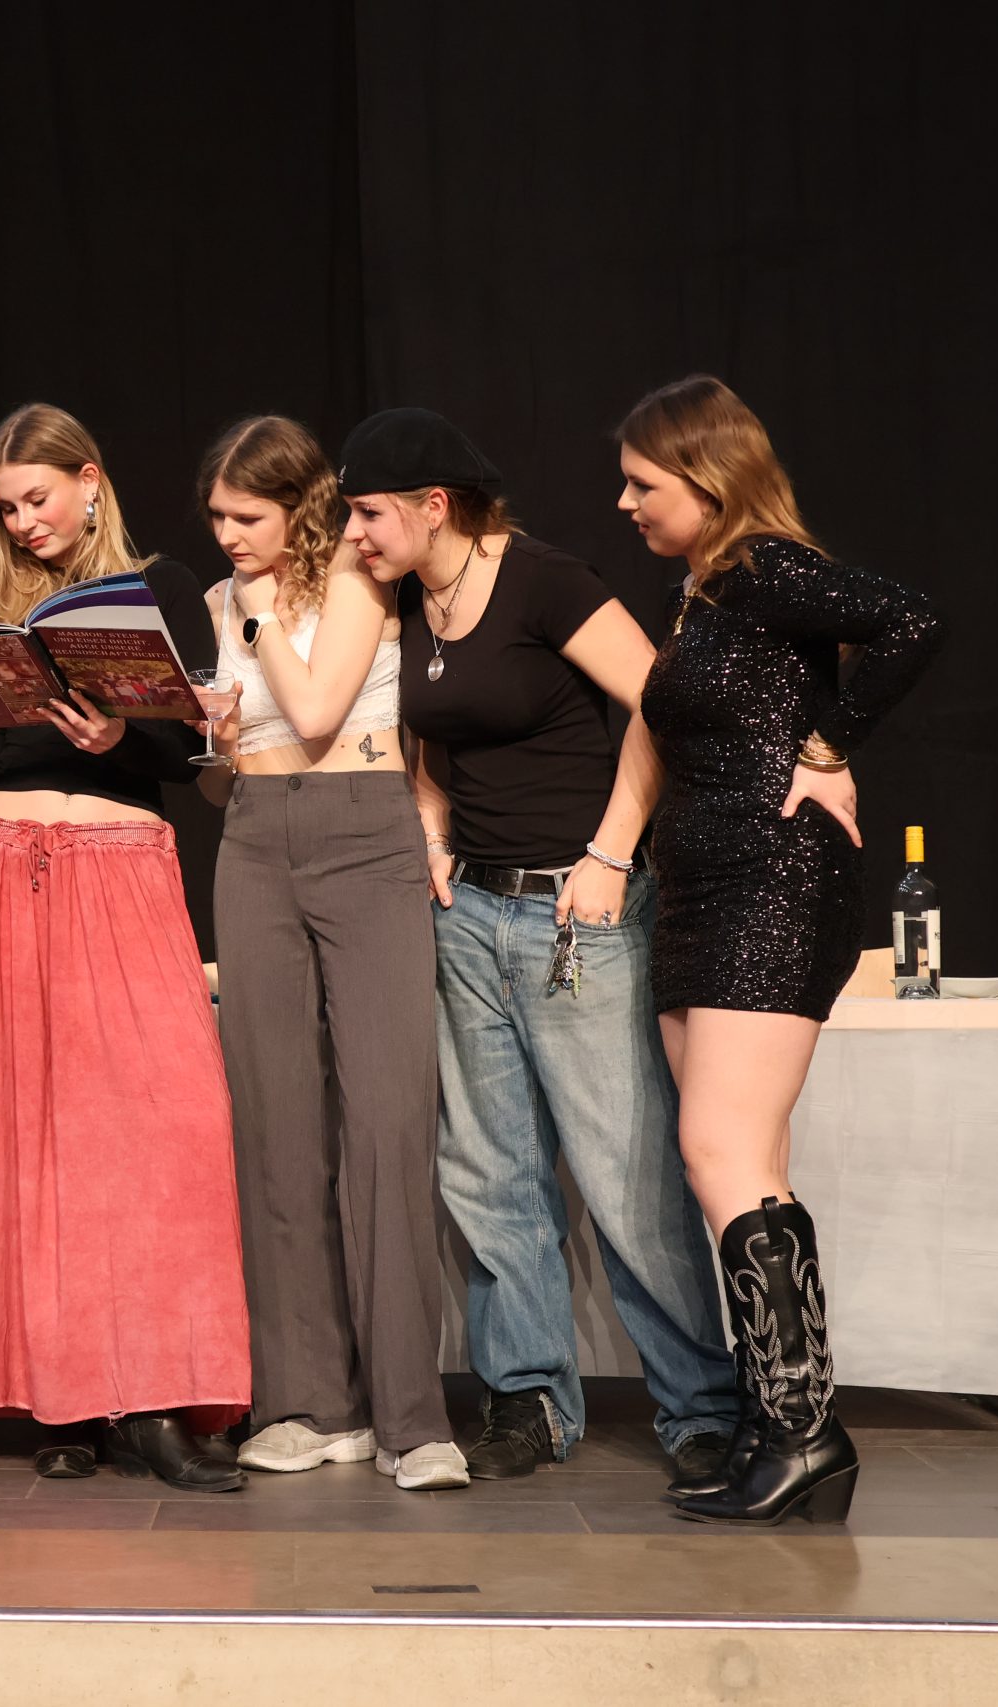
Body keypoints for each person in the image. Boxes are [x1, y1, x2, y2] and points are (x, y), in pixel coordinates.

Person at [340, 406, 738, 1490]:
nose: (354, 535)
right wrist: (431, 831)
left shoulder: (544, 581)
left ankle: (702, 1408)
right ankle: (528, 1400)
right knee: (487, 1172)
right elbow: (434, 739)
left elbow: (663, 701)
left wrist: (612, 852)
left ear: (434, 505)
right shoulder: (410, 600)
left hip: (577, 914)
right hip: (467, 912)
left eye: (368, 513)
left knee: (624, 1173)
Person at [618, 374, 945, 1525]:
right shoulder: (702, 591)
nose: (624, 503)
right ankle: (781, 1422)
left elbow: (911, 620)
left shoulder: (763, 568)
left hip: (769, 884)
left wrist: (826, 745)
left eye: (642, 484)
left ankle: (805, 1433)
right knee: (737, 1158)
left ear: (706, 481)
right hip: (700, 890)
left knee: (719, 1148)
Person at [0, 402, 251, 1493]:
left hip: (119, 866)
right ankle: (57, 1397)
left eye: (39, 498)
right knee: (21, 1137)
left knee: (162, 1130)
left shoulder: (158, 589)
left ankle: (153, 1396)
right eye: (7, 508)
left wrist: (120, 733)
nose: (24, 522)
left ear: (90, 481)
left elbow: (189, 750)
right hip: (1, 867)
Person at [192, 417, 465, 1491]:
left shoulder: (353, 577)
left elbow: (314, 709)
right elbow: (235, 767)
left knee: (388, 1119)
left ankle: (412, 1418)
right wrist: (216, 740)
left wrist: (258, 620)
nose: (228, 537)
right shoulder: (220, 601)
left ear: (298, 504)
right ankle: (308, 1402)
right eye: (216, 518)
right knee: (275, 1123)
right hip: (255, 840)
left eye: (246, 516)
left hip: (362, 830)